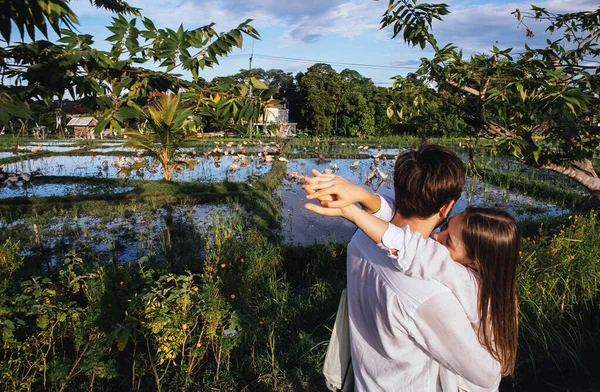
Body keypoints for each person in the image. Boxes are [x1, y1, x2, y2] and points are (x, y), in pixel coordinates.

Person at [302, 144, 508, 391]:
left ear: (400, 188)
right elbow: (486, 375)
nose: (437, 239)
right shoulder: (430, 295)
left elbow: (397, 229)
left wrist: (359, 201)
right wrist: (354, 205)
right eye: (444, 231)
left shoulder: (361, 240)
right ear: (446, 208)